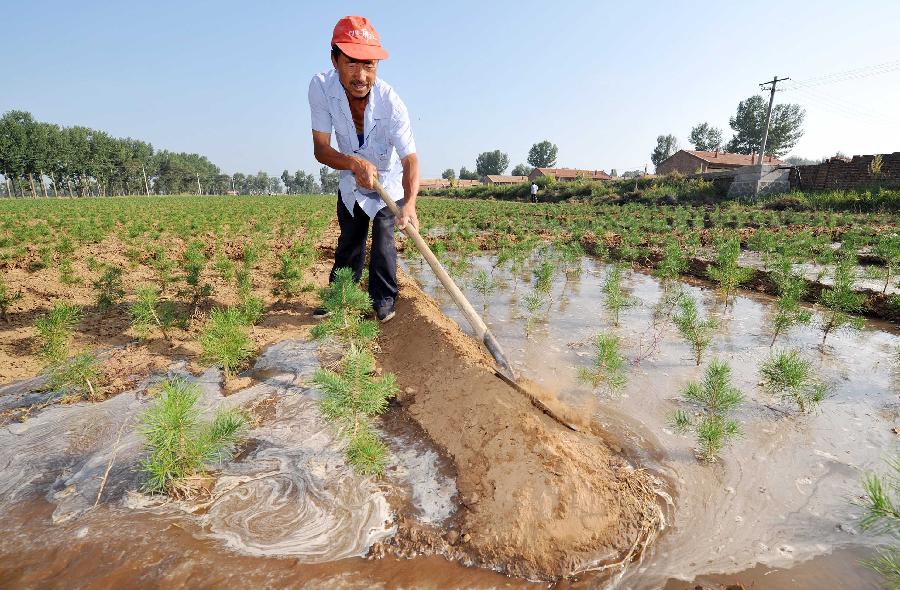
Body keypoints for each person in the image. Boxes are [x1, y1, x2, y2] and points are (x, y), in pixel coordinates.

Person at [308, 15, 420, 323]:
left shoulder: (391, 102)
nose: (361, 75)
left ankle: (383, 300)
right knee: (351, 240)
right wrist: (353, 163)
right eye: (352, 63)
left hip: (388, 180)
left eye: (369, 65)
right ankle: (340, 297)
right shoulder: (320, 88)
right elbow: (321, 149)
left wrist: (409, 204)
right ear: (335, 60)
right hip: (350, 176)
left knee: (384, 239)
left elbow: (410, 159)